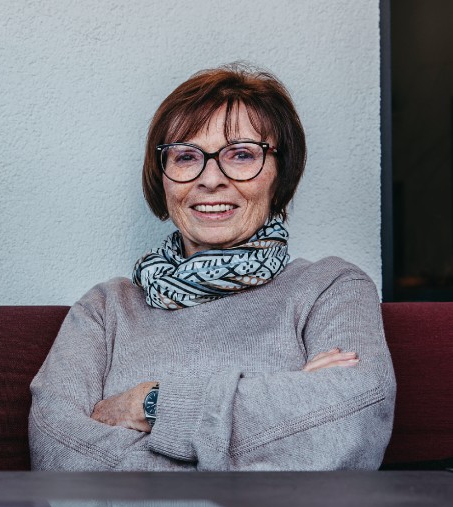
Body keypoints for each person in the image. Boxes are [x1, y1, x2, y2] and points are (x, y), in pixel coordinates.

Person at [29, 64, 396, 471]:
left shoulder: (331, 288)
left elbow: (348, 428)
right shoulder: (104, 309)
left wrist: (152, 405)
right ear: (163, 176)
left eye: (241, 155)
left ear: (280, 173)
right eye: (186, 156)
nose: (210, 179)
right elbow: (59, 455)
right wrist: (278, 415)